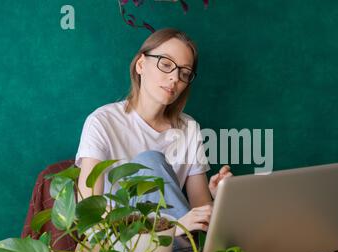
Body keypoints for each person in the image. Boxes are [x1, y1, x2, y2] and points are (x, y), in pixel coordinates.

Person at [75, 28, 232, 236]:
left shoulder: (189, 128)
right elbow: (88, 214)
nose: (174, 78)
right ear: (140, 64)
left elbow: (201, 212)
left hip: (181, 245)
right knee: (151, 160)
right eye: (166, 64)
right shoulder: (102, 122)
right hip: (123, 245)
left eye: (184, 73)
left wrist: (218, 196)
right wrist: (173, 230)